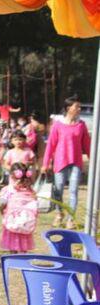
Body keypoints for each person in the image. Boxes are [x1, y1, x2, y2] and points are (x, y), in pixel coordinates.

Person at [42, 97, 91, 229]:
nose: (79, 109)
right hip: (60, 161)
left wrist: (92, 159)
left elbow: (87, 144)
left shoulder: (81, 125)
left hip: (76, 162)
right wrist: (45, 163)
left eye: (79, 106)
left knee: (73, 191)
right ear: (69, 108)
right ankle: (59, 214)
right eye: (77, 106)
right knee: (58, 190)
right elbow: (50, 145)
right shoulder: (58, 125)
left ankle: (71, 219)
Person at [0, 162, 38, 254]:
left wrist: (2, 211)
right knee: (24, 239)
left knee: (11, 239)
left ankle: (13, 256)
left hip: (12, 221)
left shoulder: (8, 190)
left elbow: (3, 203)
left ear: (11, 176)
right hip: (26, 222)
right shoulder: (31, 190)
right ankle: (23, 256)